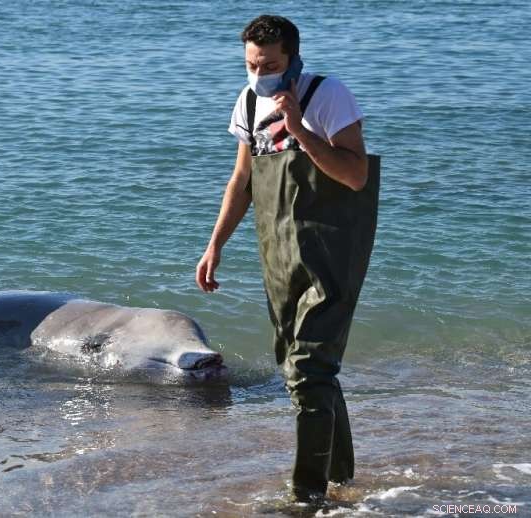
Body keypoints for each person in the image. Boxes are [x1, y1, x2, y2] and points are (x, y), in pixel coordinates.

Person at [195, 15, 379, 502]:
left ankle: (307, 495)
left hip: (331, 246)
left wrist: (298, 126)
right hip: (277, 248)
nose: (260, 73)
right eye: (252, 64)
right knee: (297, 361)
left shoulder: (327, 94)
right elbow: (243, 180)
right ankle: (340, 476)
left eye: (271, 64)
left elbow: (356, 175)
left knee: (307, 367)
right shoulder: (248, 100)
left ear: (294, 58)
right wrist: (216, 244)